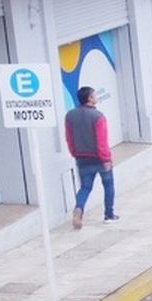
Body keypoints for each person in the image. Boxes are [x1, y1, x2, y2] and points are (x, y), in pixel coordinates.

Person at [65, 86, 115, 229]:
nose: (96, 97)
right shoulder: (98, 116)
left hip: (81, 157)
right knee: (108, 185)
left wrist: (74, 153)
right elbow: (101, 140)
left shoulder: (70, 116)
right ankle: (109, 215)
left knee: (85, 187)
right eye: (94, 95)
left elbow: (69, 138)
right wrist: (106, 159)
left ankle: (79, 208)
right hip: (99, 158)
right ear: (90, 99)